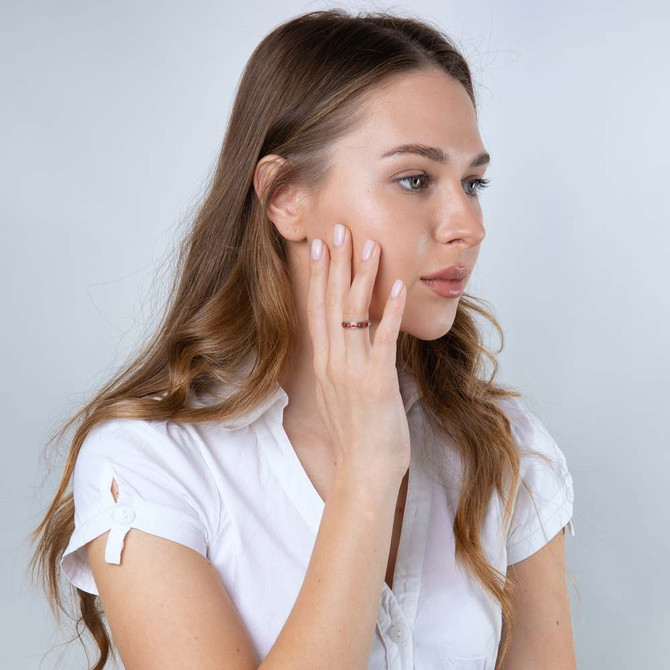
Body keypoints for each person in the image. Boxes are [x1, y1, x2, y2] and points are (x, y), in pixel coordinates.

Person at [27, 8, 577, 670]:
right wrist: (368, 475)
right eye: (414, 179)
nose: (468, 224)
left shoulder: (508, 448)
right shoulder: (150, 464)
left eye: (472, 183)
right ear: (286, 197)